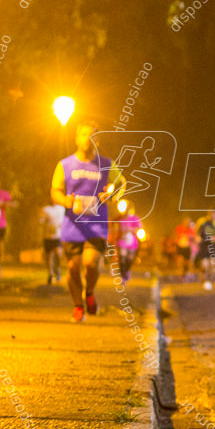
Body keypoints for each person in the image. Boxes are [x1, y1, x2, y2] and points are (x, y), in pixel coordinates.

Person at [50, 119, 125, 323]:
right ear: (76, 138)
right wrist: (66, 200)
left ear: (97, 140)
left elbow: (121, 183)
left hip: (96, 224)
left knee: (91, 264)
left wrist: (111, 195)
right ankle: (78, 306)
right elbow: (55, 190)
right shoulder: (65, 164)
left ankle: (89, 292)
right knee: (73, 268)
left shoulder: (107, 164)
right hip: (72, 225)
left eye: (91, 135)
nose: (87, 139)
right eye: (83, 134)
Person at [195, 211, 215, 290]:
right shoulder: (203, 225)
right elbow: (198, 235)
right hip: (204, 247)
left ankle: (208, 279)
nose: (213, 218)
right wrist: (198, 239)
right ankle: (203, 277)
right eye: (212, 216)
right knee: (205, 265)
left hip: (213, 247)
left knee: (212, 265)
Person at [39, 202, 65, 285]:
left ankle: (57, 270)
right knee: (49, 256)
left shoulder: (62, 208)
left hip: (58, 236)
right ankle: (50, 274)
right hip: (48, 236)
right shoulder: (46, 209)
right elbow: (41, 222)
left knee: (58, 253)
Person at [116, 205, 143, 283]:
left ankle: (127, 271)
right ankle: (123, 276)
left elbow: (140, 227)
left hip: (132, 241)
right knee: (122, 258)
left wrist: (131, 229)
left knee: (130, 258)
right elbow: (114, 224)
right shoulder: (121, 218)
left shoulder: (135, 218)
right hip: (123, 241)